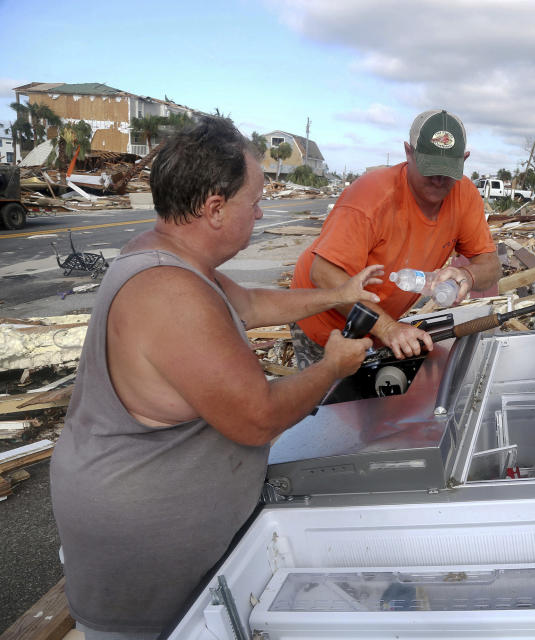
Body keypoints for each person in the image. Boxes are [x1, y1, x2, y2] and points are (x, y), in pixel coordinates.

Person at [49, 117, 381, 638]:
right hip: (142, 568)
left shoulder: (170, 256)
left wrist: (339, 295)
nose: (262, 211)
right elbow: (259, 418)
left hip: (156, 542)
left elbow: (249, 303)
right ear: (215, 208)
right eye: (255, 201)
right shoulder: (170, 292)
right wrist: (332, 367)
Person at [290, 109, 501, 367]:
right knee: (327, 401)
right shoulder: (371, 198)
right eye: (430, 168)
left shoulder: (464, 195)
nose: (438, 180)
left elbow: (490, 264)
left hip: (377, 323)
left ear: (464, 159)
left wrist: (469, 275)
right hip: (323, 319)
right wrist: (388, 328)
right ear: (408, 152)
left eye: (447, 171)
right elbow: (323, 274)